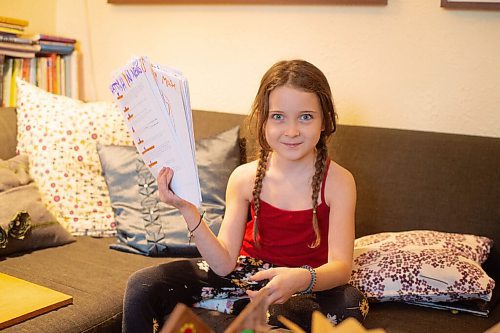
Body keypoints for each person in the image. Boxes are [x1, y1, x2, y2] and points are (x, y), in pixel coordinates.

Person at [122, 59, 368, 333]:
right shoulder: (243, 178)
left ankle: (240, 319)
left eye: (306, 116)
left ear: (325, 121)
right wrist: (187, 209)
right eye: (278, 117)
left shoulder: (339, 182)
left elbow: (341, 267)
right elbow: (224, 263)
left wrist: (300, 279)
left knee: (350, 302)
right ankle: (243, 317)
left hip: (304, 284)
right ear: (262, 120)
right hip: (245, 276)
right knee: (142, 284)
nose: (292, 130)